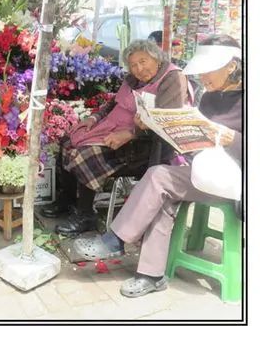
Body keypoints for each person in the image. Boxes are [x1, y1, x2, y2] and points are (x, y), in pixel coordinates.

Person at [66, 36, 246, 297]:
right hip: (204, 172)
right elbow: (200, 143)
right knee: (159, 186)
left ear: (231, 66)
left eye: (209, 70)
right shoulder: (209, 99)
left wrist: (231, 138)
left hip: (237, 181)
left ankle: (116, 240)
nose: (203, 77)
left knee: (158, 179)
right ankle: (151, 275)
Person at [48, 40, 190, 235]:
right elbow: (114, 104)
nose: (139, 68)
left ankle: (86, 214)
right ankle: (68, 199)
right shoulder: (133, 80)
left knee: (86, 153)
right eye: (133, 65)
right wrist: (94, 117)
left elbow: (166, 121)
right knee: (67, 141)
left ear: (156, 58)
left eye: (143, 61)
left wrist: (132, 133)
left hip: (147, 145)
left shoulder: (172, 78)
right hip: (114, 129)